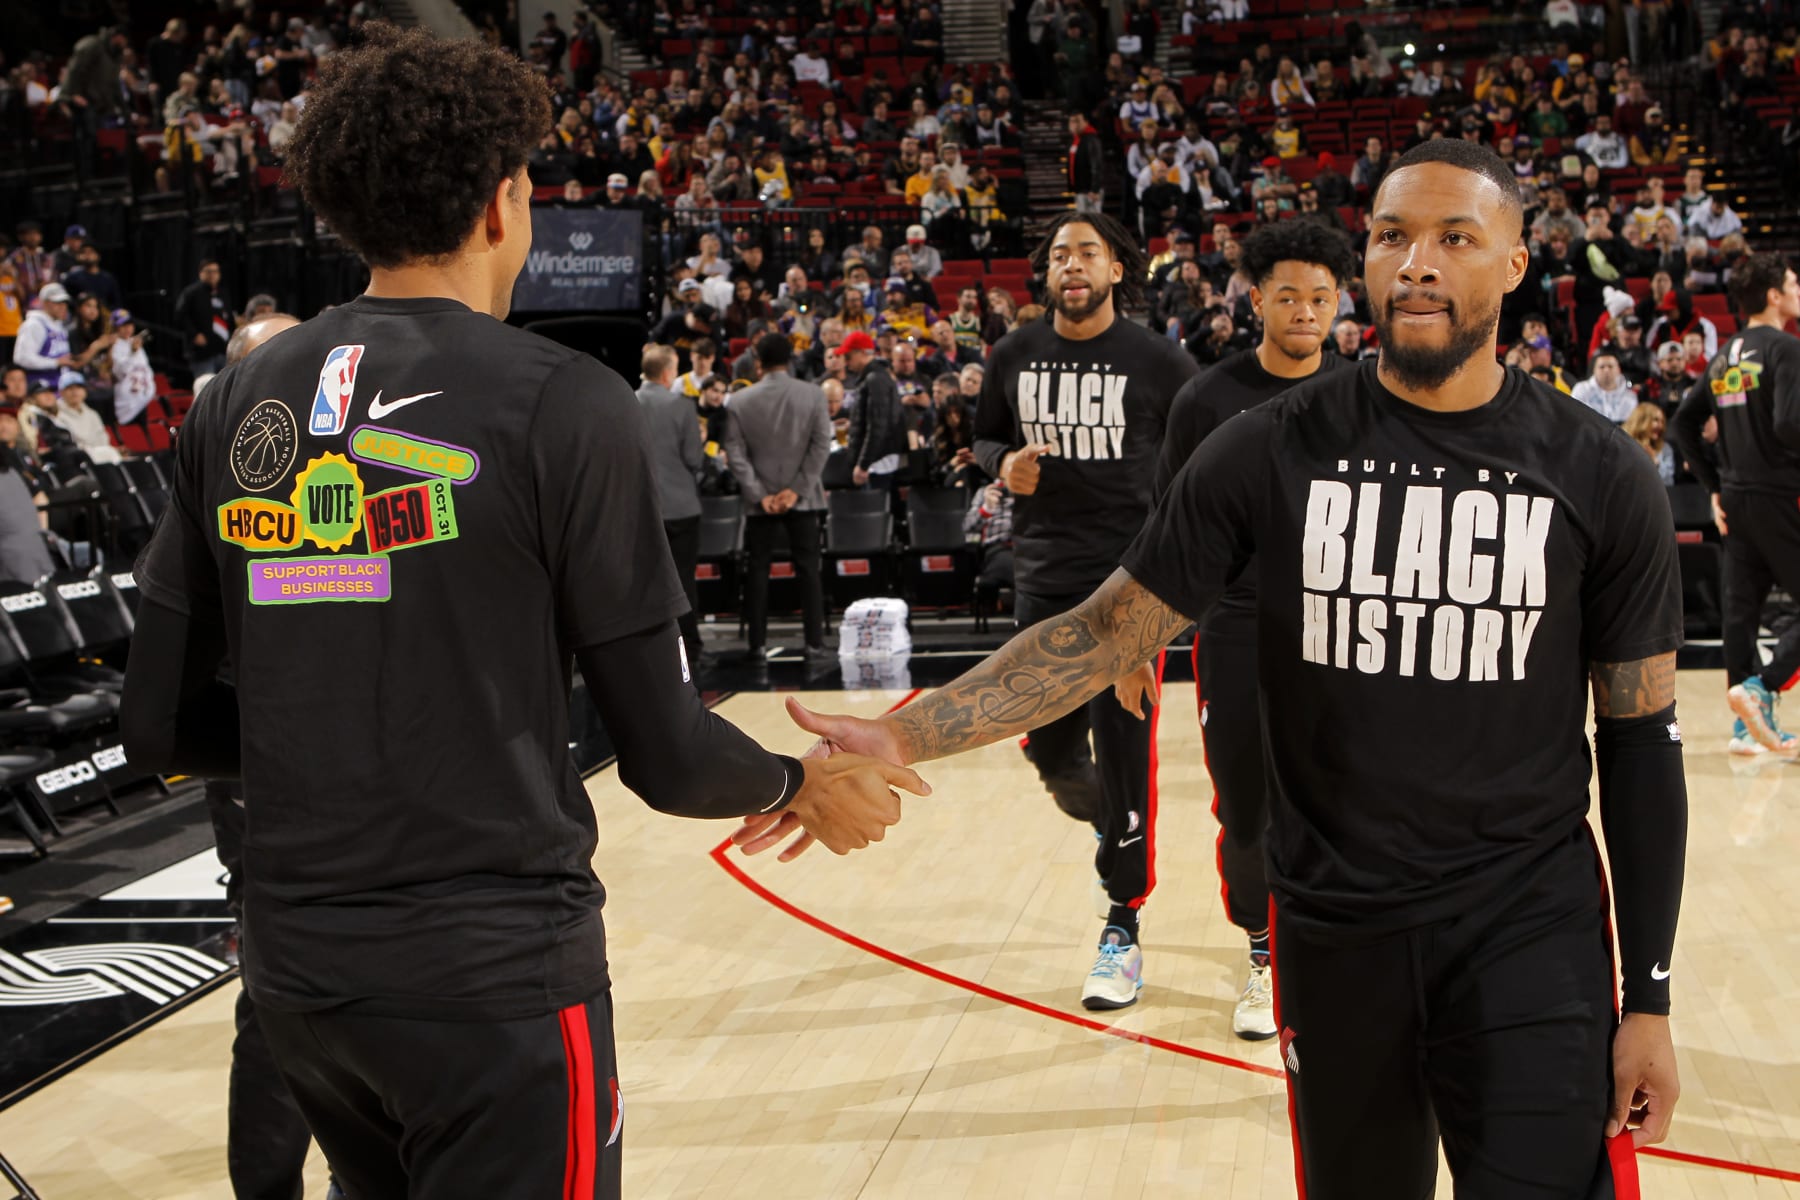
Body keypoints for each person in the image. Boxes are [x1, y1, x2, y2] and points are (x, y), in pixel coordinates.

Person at [759, 139, 1684, 1197]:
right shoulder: (1270, 446)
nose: (1417, 263)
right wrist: (901, 730)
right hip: (1336, 931)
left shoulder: (1599, 473)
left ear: (1516, 262)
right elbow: (1105, 632)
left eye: (1455, 238)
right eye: (1392, 236)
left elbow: (1641, 738)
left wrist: (1650, 997)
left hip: (1531, 934)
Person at [118, 28, 924, 1200]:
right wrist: (797, 782)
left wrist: (341, 749)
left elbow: (155, 726)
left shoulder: (230, 401)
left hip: (300, 979)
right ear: (503, 202)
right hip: (491, 984)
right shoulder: (566, 402)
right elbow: (667, 754)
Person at [967, 211, 1198, 1010]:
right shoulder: (1013, 353)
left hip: (1130, 589)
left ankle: (1121, 923)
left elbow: (1199, 462)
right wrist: (1004, 465)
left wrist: (1167, 581)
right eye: (1061, 254)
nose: (1072, 265)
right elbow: (984, 438)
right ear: (1047, 272)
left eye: (1087, 253)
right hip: (1043, 580)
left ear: (1116, 269)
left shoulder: (1159, 361)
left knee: (1126, 753)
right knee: (1052, 753)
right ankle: (1113, 819)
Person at [1152, 220, 1356, 1041]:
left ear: (1339, 304)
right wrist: (1135, 642)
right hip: (1238, 625)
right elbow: (1167, 530)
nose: (1305, 311)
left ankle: (1337, 950)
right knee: (1247, 809)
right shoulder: (1206, 399)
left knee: (1350, 800)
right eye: (1289, 297)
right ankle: (1264, 953)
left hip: (1345, 628)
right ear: (1257, 300)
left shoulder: (1367, 394)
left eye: (1320, 298)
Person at [1671, 251, 1800, 756]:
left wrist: (1715, 486)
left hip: (1737, 499)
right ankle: (1762, 688)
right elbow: (1790, 424)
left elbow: (1683, 424)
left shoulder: (1726, 354)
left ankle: (1747, 730)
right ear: (1773, 295)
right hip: (1780, 494)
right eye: (1793, 282)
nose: (1797, 288)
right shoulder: (1785, 348)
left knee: (1741, 612)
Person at [723, 333, 833, 661]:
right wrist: (796, 490)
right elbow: (821, 445)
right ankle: (814, 643)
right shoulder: (813, 394)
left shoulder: (739, 400)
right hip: (803, 498)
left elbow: (734, 453)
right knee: (809, 570)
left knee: (758, 570)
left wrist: (760, 494)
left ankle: (756, 645)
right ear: (790, 359)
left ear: (758, 362)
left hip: (761, 502)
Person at [637, 344, 706, 661]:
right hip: (681, 507)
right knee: (683, 577)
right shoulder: (681, 405)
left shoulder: (629, 401)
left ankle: (652, 649)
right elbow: (694, 458)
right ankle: (689, 646)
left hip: (641, 508)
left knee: (646, 579)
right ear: (667, 374)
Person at [174, 260, 234, 378]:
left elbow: (228, 316)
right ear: (200, 273)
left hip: (223, 350)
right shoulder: (191, 293)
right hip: (202, 352)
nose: (212, 275)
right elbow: (180, 316)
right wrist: (194, 334)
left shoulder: (222, 292)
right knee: (206, 384)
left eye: (215, 271)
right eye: (209, 271)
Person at [12, 283, 74, 392]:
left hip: (59, 387)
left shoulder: (58, 325)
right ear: (44, 303)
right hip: (40, 389)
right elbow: (22, 358)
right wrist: (55, 363)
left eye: (64, 303)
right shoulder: (34, 325)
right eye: (57, 303)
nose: (63, 307)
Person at [1571, 349, 1639, 422]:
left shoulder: (1630, 397)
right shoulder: (1581, 390)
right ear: (1594, 370)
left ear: (1619, 370)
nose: (1606, 370)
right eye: (1602, 367)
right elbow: (1573, 416)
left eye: (1610, 366)